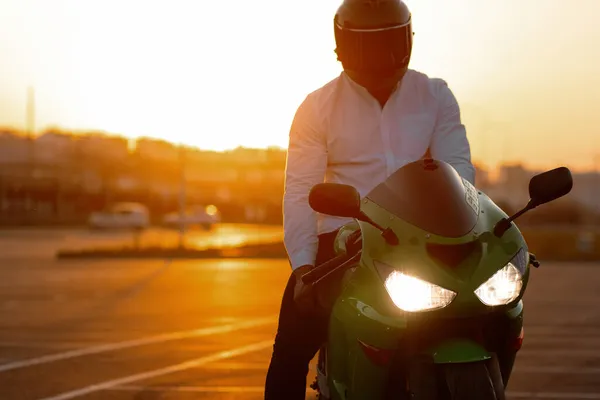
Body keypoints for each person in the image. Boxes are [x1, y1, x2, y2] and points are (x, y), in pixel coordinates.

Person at [264, 0, 476, 398]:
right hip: (342, 241)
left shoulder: (435, 95)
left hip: (418, 240)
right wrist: (304, 268)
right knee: (291, 346)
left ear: (407, 40)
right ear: (343, 45)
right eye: (366, 45)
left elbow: (458, 171)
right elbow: (299, 191)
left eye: (389, 42)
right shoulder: (316, 107)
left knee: (478, 315)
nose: (378, 56)